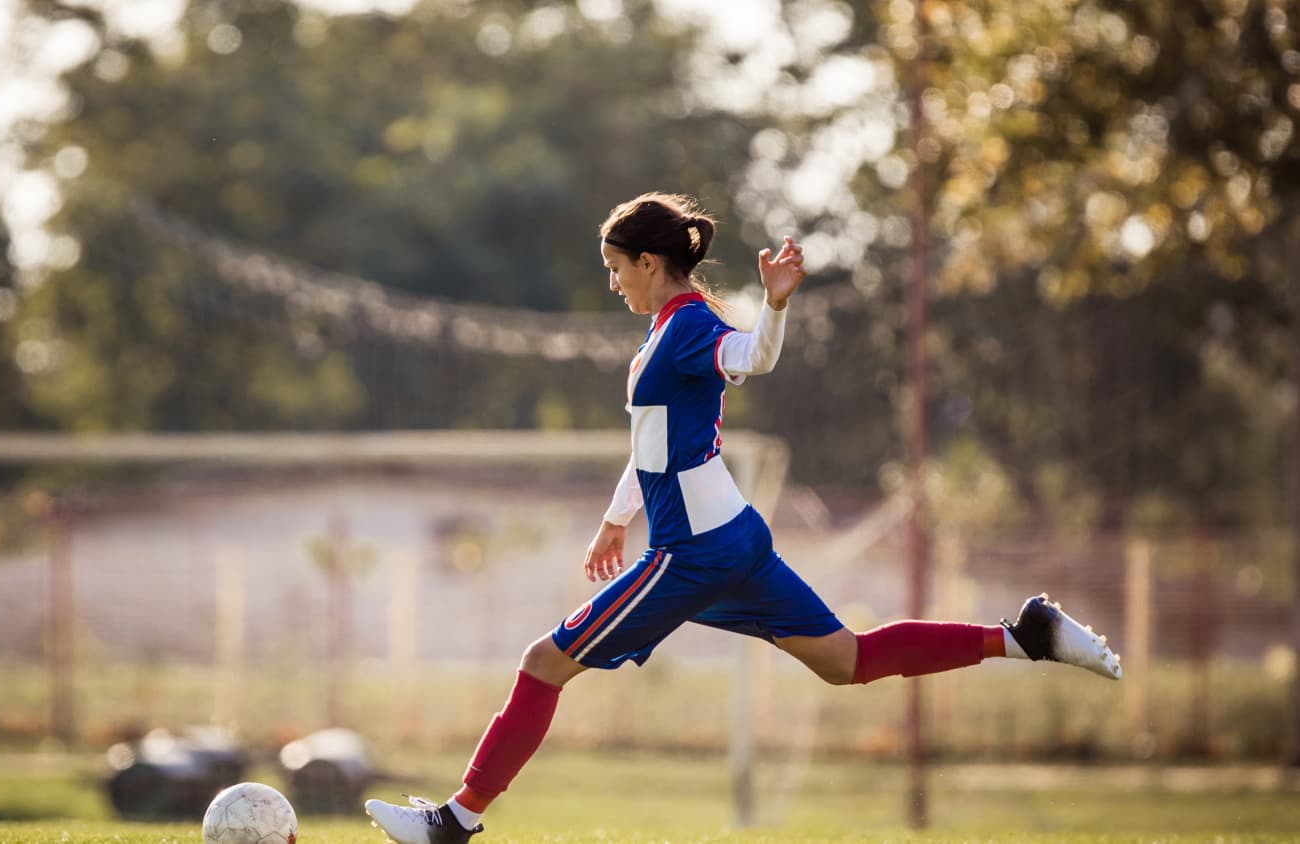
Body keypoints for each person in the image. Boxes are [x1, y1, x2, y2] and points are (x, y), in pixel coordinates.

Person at [365, 193, 1121, 844]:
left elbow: (754, 357)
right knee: (846, 661)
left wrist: (780, 303)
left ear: (651, 264)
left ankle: (453, 822)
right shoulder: (662, 334)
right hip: (731, 542)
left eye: (616, 267)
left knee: (542, 663)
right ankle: (1024, 637)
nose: (612, 281)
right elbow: (655, 448)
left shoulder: (690, 327)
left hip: (693, 552)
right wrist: (614, 520)